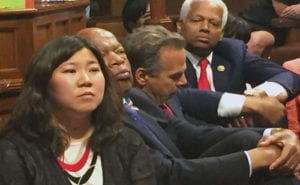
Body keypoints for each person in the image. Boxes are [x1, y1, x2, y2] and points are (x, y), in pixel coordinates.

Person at [78, 26, 300, 185]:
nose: (117, 60)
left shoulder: (136, 98)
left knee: (261, 151)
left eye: (118, 51)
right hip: (175, 177)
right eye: (101, 55)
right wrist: (257, 158)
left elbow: (190, 134)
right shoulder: (96, 119)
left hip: (185, 169)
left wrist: (273, 135)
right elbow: (168, 174)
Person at [0, 35, 156, 185]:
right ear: (43, 82)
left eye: (94, 70)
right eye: (71, 71)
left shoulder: (125, 141)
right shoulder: (14, 150)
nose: (86, 81)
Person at [177, 0, 300, 127]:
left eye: (214, 23)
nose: (205, 28)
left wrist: (256, 95)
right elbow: (182, 97)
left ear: (222, 34)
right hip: (188, 136)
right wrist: (243, 104)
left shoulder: (232, 52)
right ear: (179, 26)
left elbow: (290, 78)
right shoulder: (168, 56)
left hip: (236, 135)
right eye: (197, 20)